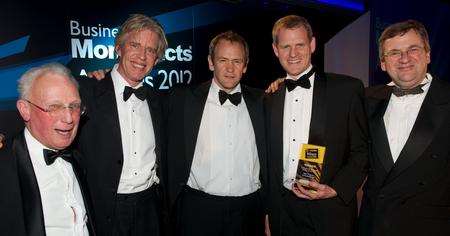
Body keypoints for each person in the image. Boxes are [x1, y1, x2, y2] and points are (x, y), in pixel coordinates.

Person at [264, 15, 368, 236]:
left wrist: (336, 189)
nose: (293, 54)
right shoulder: (269, 98)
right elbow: (267, 162)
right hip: (283, 213)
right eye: (286, 46)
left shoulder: (346, 90)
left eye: (300, 45)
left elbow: (362, 151)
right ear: (275, 49)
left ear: (312, 44)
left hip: (329, 212)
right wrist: (268, 213)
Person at [165, 31, 267, 235]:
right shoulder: (182, 99)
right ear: (211, 63)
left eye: (237, 61)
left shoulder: (264, 101)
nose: (230, 68)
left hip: (249, 211)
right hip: (198, 211)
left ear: (245, 66)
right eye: (223, 60)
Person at [76, 14, 168, 236]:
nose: (142, 56)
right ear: (119, 47)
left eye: (150, 50)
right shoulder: (86, 92)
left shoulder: (160, 101)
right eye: (135, 45)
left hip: (150, 207)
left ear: (156, 60)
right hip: (103, 208)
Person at [358, 19, 450, 236]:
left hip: (432, 227)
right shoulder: (365, 99)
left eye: (413, 49)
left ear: (428, 54)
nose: (404, 59)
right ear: (382, 63)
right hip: (374, 226)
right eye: (394, 53)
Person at [0, 63, 95, 236]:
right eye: (54, 107)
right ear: (25, 110)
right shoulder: (5, 167)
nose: (69, 118)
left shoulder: (78, 158)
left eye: (74, 106)